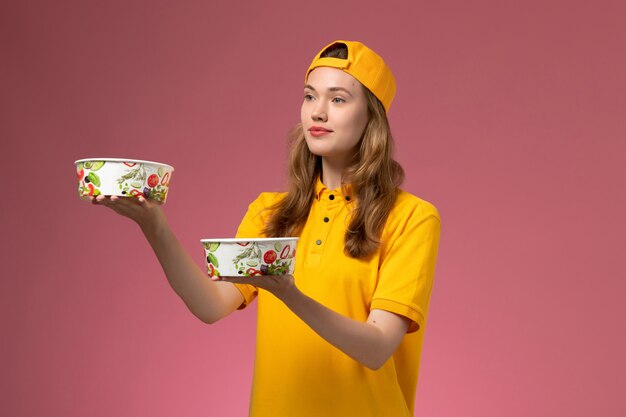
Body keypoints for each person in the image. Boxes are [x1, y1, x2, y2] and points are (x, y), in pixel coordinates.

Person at [92, 40, 440, 417]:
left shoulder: (411, 218)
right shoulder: (269, 213)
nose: (318, 112)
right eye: (310, 97)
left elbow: (375, 349)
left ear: (372, 117)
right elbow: (210, 306)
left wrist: (290, 295)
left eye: (338, 99)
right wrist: (153, 225)